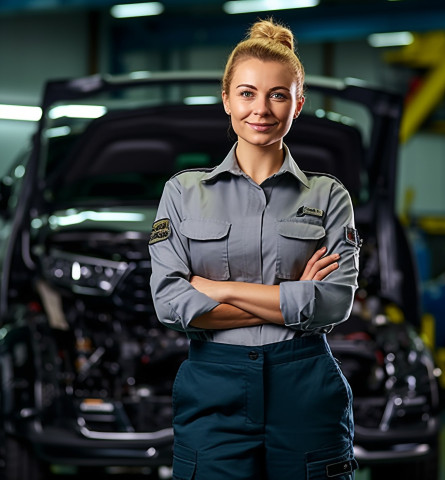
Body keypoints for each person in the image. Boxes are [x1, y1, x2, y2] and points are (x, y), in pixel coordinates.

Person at [149, 18, 360, 480]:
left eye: (277, 94)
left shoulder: (328, 197)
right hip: (213, 390)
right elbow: (170, 303)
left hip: (305, 388)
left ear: (297, 104)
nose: (260, 109)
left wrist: (216, 289)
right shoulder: (184, 193)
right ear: (226, 99)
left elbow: (333, 302)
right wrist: (292, 300)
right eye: (246, 93)